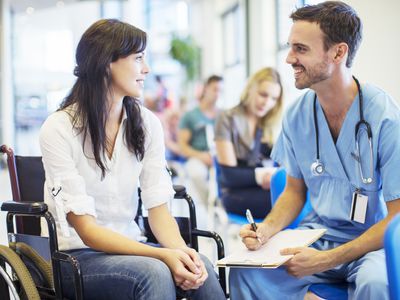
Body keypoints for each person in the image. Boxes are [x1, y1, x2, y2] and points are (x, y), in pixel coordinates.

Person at [39, 19, 225, 300]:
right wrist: (163, 255)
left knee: (202, 268)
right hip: (74, 258)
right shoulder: (59, 128)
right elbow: (88, 231)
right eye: (138, 58)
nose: (146, 69)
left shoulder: (147, 124)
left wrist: (181, 252)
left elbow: (158, 209)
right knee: (155, 272)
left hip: (133, 248)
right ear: (106, 62)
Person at [230, 2, 400, 299]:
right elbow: (295, 191)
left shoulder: (383, 116)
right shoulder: (297, 116)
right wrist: (266, 230)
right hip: (319, 236)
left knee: (377, 284)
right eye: (290, 47)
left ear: (338, 52)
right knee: (246, 271)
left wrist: (329, 259)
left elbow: (397, 217)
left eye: (301, 49)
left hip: (372, 243)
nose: (289, 59)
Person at [214, 67, 283, 219]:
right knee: (287, 204)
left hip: (263, 189)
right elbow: (229, 176)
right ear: (251, 89)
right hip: (234, 194)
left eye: (273, 99)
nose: (267, 103)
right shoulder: (227, 119)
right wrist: (263, 176)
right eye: (263, 94)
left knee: (295, 197)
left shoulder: (269, 124)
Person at [178, 75, 223, 209]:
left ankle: (224, 206)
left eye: (221, 91)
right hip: (198, 157)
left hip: (219, 157)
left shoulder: (224, 116)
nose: (218, 94)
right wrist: (202, 156)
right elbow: (182, 147)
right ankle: (212, 206)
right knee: (196, 172)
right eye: (215, 89)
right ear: (205, 89)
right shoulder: (190, 116)